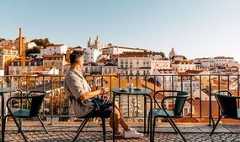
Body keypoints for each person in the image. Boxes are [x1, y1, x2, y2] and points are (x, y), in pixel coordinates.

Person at [64, 50, 143, 138]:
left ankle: (127, 130)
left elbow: (86, 93)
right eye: (82, 59)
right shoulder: (72, 76)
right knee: (115, 112)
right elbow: (82, 96)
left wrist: (99, 94)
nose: (83, 61)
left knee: (114, 103)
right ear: (78, 60)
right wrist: (100, 91)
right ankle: (118, 132)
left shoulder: (77, 73)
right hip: (85, 108)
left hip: (90, 103)